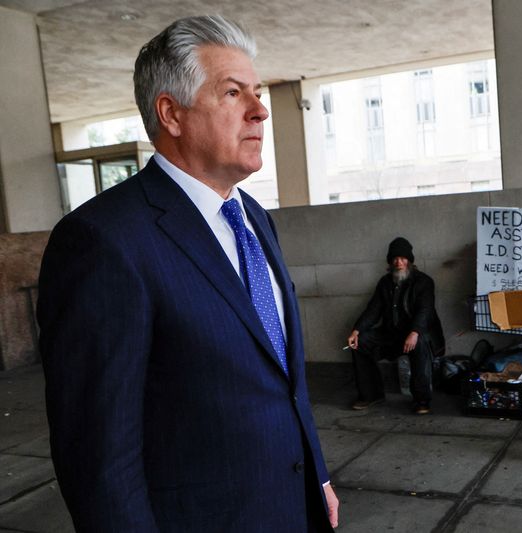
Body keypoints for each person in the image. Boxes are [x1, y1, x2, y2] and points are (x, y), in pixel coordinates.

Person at [37, 16, 338, 531]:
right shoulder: (102, 241)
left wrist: (318, 477)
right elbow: (98, 455)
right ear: (171, 114)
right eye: (232, 93)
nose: (260, 110)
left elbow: (281, 380)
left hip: (293, 507)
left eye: (257, 92)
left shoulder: (253, 217)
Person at [347, 237, 445, 415]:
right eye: (395, 259)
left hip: (418, 333)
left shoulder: (424, 281)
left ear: (409, 260)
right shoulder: (385, 282)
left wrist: (414, 332)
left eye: (403, 258)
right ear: (390, 261)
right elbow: (373, 310)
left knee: (420, 343)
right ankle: (371, 395)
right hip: (393, 334)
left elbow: (425, 310)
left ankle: (422, 400)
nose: (399, 262)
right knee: (360, 342)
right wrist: (356, 330)